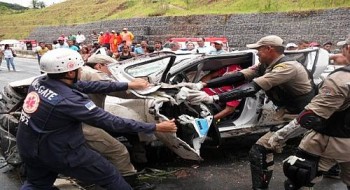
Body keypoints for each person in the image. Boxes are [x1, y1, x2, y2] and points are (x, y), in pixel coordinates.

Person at [16, 48, 177, 190]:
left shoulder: (41, 81)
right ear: (70, 73)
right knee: (110, 175)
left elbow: (90, 87)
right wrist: (154, 128)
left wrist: (128, 85)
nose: (82, 71)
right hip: (59, 151)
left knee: (37, 184)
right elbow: (112, 122)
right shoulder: (69, 101)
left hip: (28, 145)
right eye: (80, 68)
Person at [186, 35, 315, 190]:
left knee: (259, 150)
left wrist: (214, 98)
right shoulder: (265, 65)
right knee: (320, 148)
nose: (256, 53)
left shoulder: (287, 68)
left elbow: (252, 87)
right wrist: (203, 84)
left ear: (269, 49)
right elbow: (239, 76)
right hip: (289, 113)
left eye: (258, 49)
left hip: (303, 116)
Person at [283, 36, 350, 190]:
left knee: (299, 176)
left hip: (329, 137)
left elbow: (310, 116)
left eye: (343, 48)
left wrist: (278, 137)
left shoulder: (341, 78)